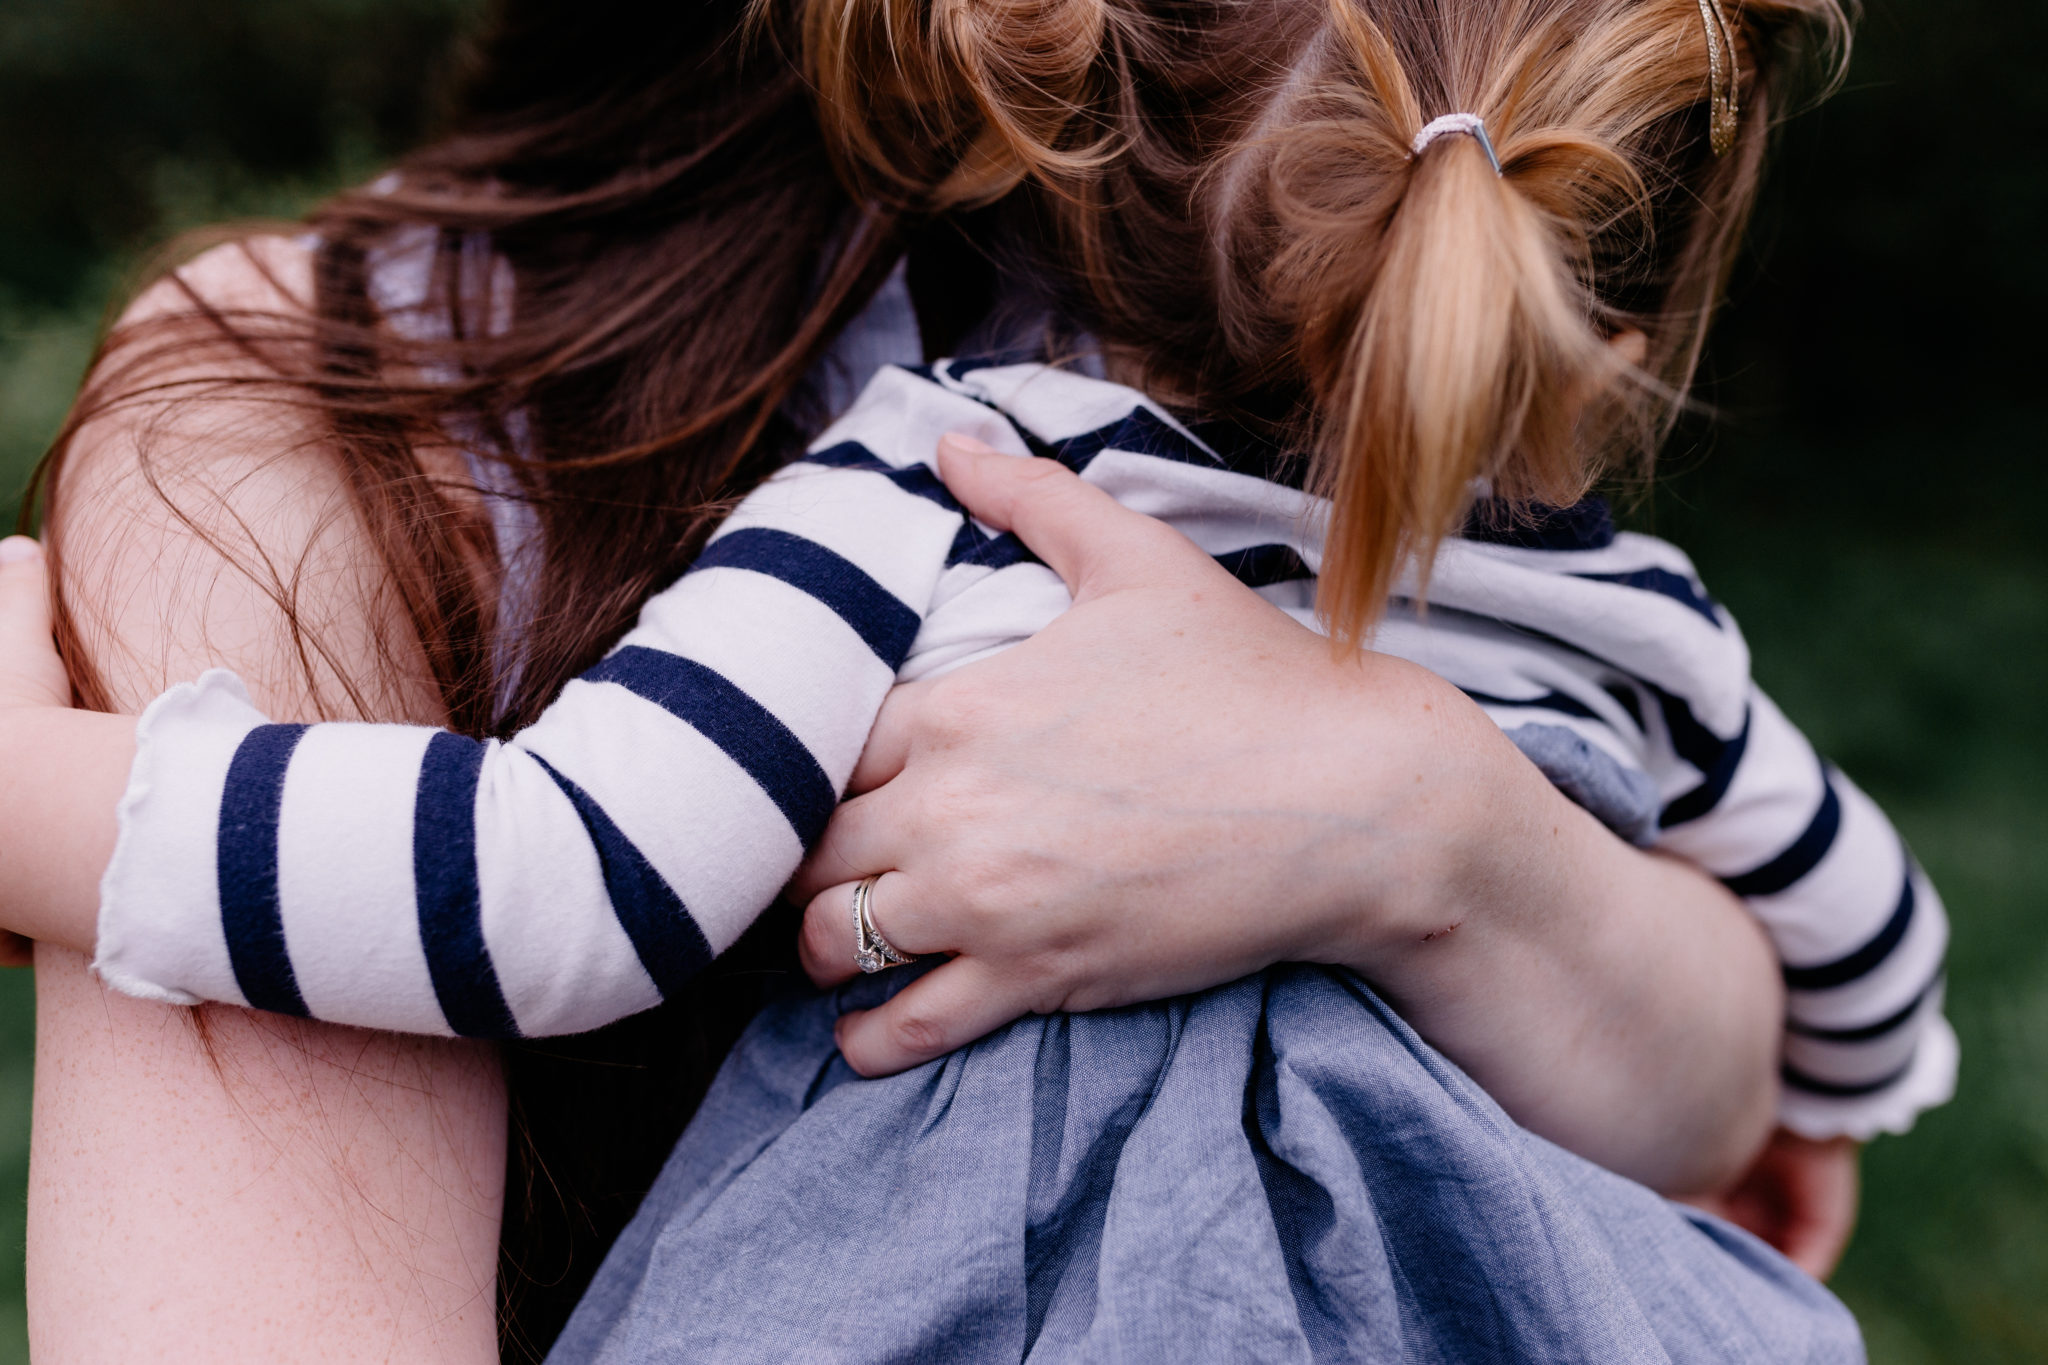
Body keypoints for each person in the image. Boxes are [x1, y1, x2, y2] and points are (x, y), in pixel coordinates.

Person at [0, 0, 1945, 1357]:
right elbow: (1847, 1008)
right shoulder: (1642, 615)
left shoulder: (952, 486)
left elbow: (552, 884)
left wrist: (37, 801)